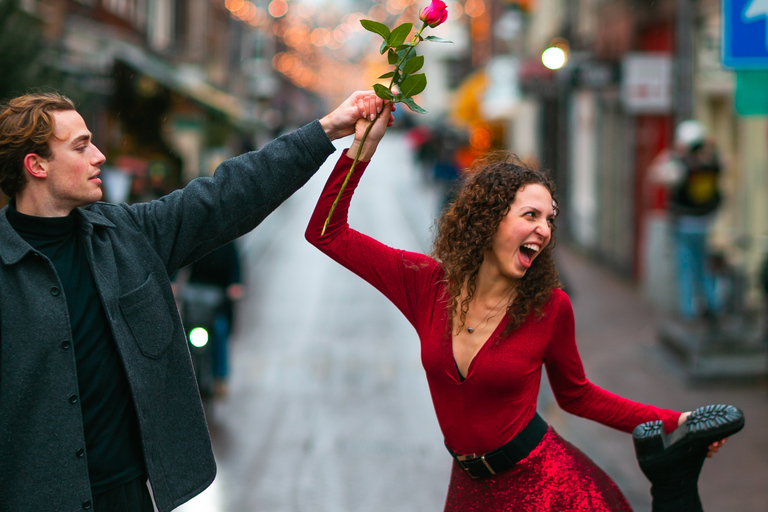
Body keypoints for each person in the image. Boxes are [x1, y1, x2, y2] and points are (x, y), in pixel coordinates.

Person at [305, 104, 742, 511]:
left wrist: (676, 420)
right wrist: (361, 149)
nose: (544, 229)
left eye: (550, 219)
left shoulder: (550, 307)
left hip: (550, 488)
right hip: (468, 491)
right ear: (491, 217)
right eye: (531, 215)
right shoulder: (425, 284)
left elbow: (577, 395)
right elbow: (327, 232)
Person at [0, 90, 387, 512]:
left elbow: (228, 195)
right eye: (80, 146)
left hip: (127, 497)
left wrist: (327, 130)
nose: (99, 156)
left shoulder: (126, 236)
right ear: (36, 165)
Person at [652, 120, 723, 320]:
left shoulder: (680, 166)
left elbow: (656, 175)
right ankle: (712, 303)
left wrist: (672, 153)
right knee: (705, 267)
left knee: (686, 268)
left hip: (685, 224)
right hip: (706, 223)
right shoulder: (712, 164)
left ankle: (689, 310)